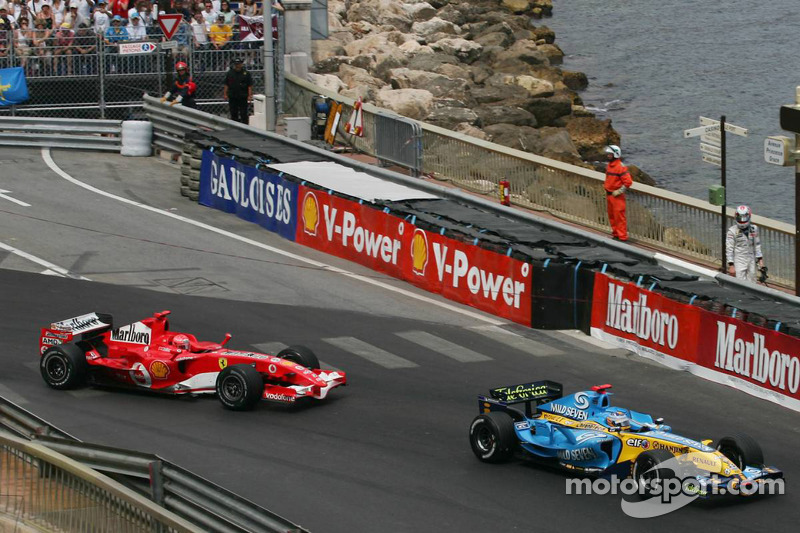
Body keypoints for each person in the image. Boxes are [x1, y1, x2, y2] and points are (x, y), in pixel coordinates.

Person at [726, 205, 765, 283]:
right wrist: (731, 265)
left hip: (751, 259)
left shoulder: (754, 229)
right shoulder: (732, 231)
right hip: (739, 259)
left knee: (753, 281)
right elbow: (729, 249)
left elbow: (757, 245)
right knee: (739, 282)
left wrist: (760, 262)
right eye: (740, 217)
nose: (742, 220)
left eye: (744, 217)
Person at [603, 144, 633, 242]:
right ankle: (616, 234)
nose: (608, 156)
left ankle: (622, 237)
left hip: (617, 196)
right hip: (609, 194)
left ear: (615, 155)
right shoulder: (609, 166)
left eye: (610, 154)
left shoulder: (621, 167)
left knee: (619, 217)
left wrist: (619, 191)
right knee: (612, 216)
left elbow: (628, 182)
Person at [223, 57, 252, 123]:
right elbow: (226, 84)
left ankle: (245, 126)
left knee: (243, 112)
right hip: (233, 95)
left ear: (241, 64)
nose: (237, 65)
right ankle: (235, 126)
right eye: (236, 64)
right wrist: (225, 94)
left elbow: (249, 85)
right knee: (233, 112)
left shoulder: (246, 73)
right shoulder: (230, 73)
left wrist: (249, 95)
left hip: (243, 95)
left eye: (239, 64)